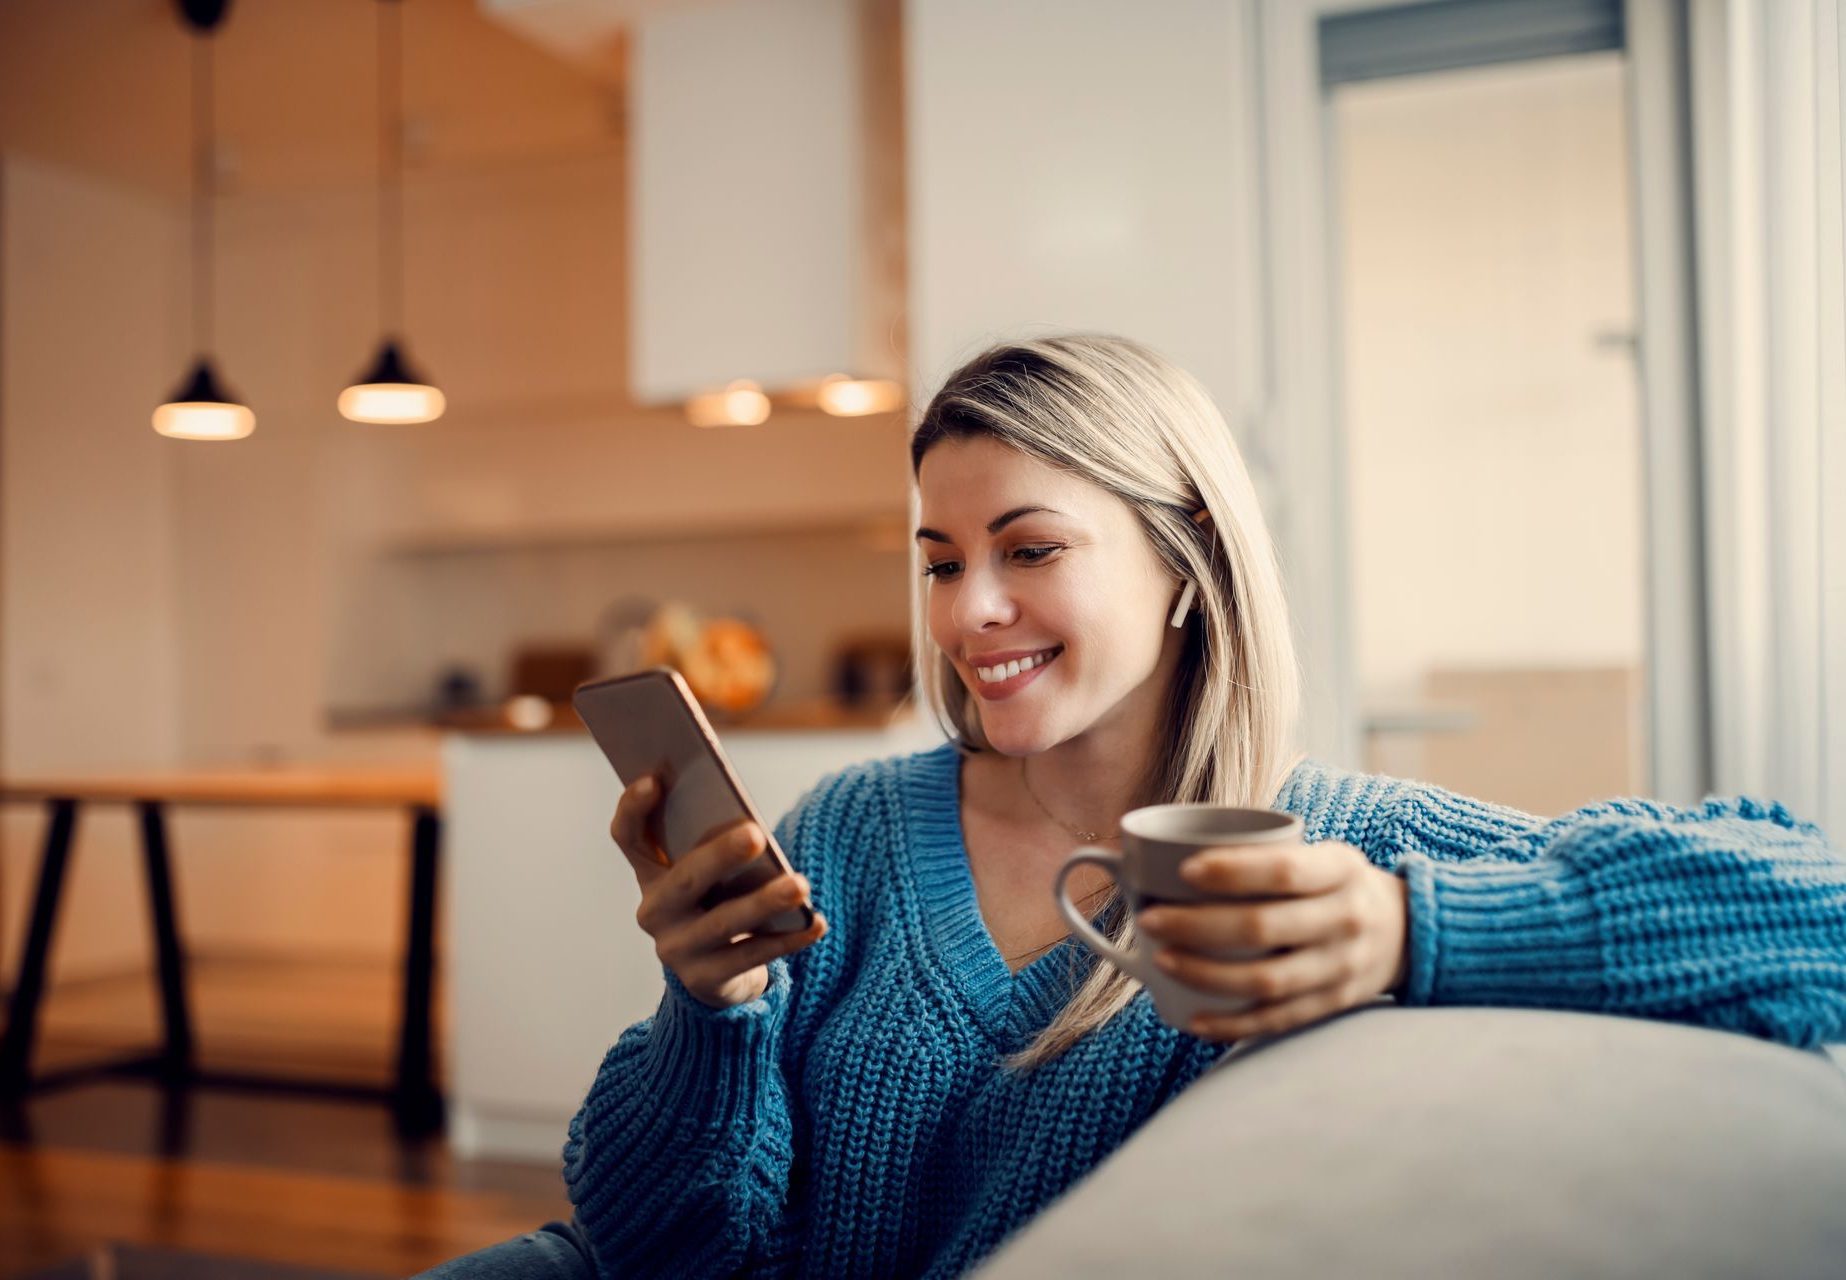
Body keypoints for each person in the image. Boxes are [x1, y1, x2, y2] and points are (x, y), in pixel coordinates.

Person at [417, 334, 1846, 1280]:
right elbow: (653, 1243)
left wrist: (1415, 930)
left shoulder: (1334, 854)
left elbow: (1815, 914)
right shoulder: (854, 828)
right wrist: (708, 1011)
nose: (970, 612)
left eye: (1029, 549)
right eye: (938, 560)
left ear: (1183, 564)